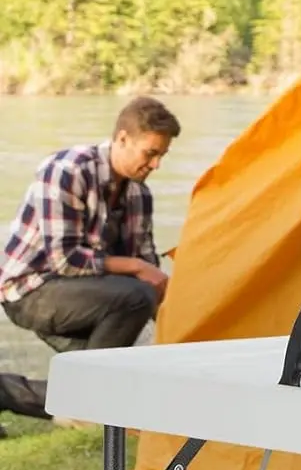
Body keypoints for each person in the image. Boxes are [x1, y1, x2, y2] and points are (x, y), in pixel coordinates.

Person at [0, 97, 178, 385]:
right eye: (151, 153)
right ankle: (93, 396)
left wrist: (175, 328)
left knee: (135, 370)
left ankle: (9, 392)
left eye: (162, 156)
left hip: (96, 297)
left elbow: (150, 272)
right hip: (31, 290)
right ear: (122, 138)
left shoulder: (140, 195)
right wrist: (135, 268)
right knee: (135, 299)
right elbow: (65, 260)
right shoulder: (68, 170)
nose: (156, 165)